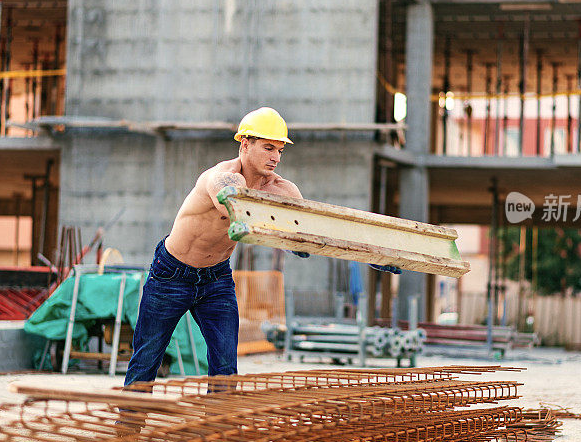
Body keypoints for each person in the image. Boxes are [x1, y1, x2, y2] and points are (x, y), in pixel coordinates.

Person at [123, 106, 401, 389]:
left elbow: (312, 225)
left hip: (216, 280)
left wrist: (366, 252)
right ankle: (128, 431)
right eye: (269, 148)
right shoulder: (221, 178)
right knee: (147, 360)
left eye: (280, 150)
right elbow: (238, 210)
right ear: (245, 144)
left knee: (225, 367)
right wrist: (289, 233)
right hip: (172, 274)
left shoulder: (282, 189)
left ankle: (218, 430)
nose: (276, 157)